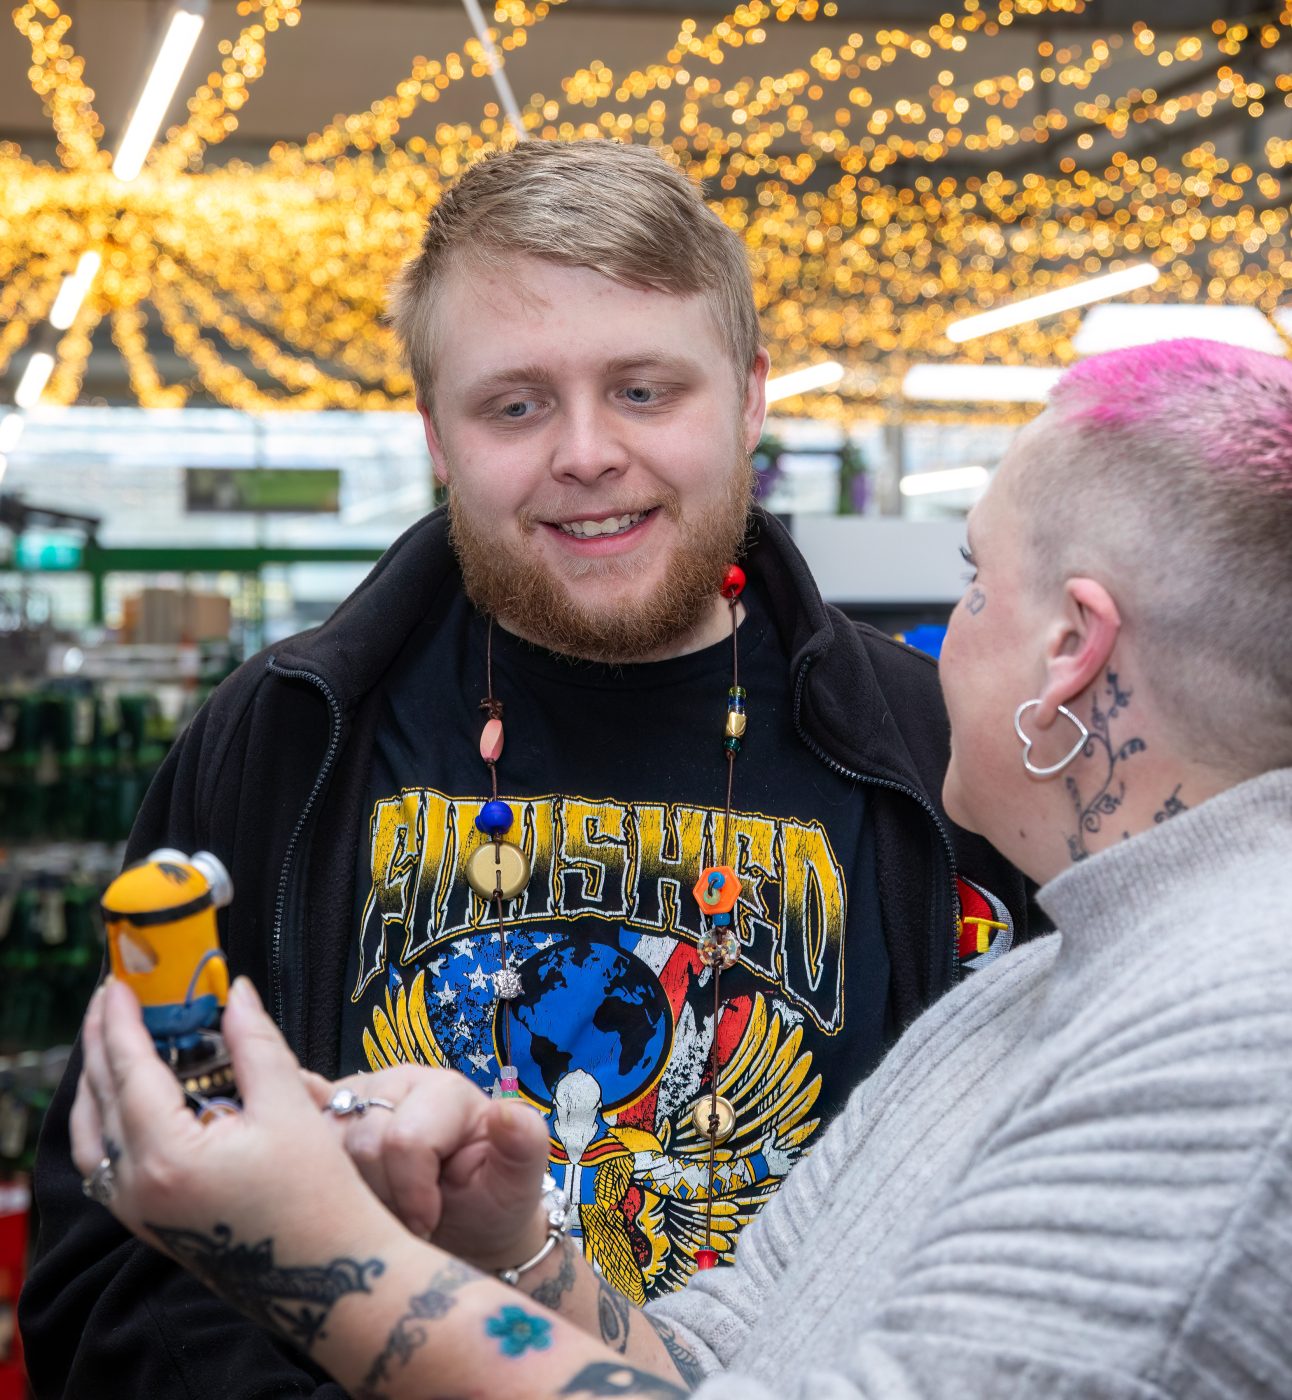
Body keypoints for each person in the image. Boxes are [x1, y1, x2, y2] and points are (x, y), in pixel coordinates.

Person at [61, 335, 1292, 1397]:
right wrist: (513, 1247)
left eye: (973, 585)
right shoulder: (1032, 991)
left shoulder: (1240, 1029)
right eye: (513, 402)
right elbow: (723, 1360)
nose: (938, 634)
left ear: (1072, 646)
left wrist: (310, 1251)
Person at [19, 139, 1029, 1397]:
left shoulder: (940, 754)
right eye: (515, 404)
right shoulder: (282, 737)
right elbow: (109, 1252)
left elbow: (1016, 1242)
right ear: (436, 434)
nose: (587, 452)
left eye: (647, 390)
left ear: (752, 398)